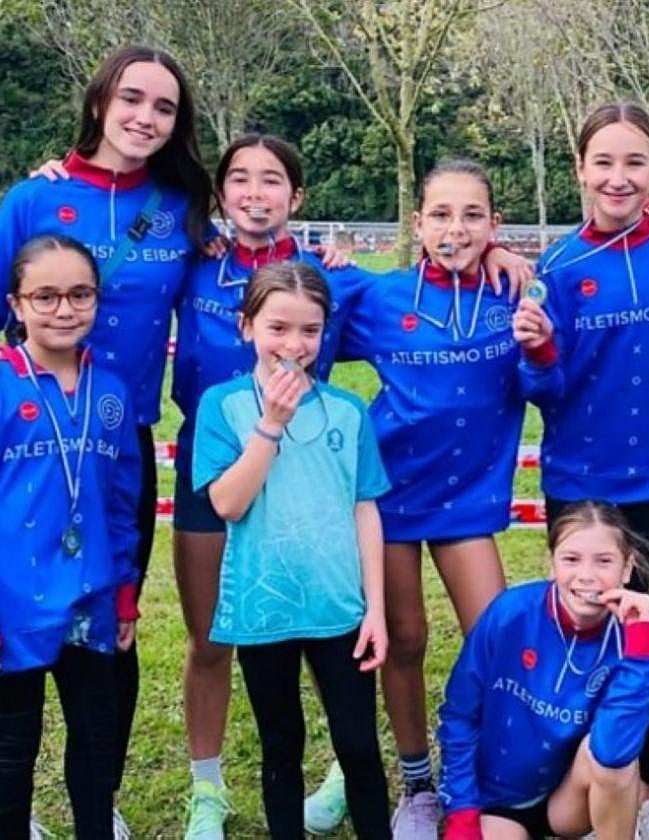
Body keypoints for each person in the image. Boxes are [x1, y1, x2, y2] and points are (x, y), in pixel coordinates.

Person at [0, 46, 213, 837]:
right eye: (132, 99)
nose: (145, 118)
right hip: (25, 444)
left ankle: (99, 803)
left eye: (164, 107)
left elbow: (250, 272)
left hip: (120, 451)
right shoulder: (31, 200)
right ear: (98, 102)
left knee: (108, 640)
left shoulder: (183, 206)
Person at [168, 133, 380, 839]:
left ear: (297, 197)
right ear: (220, 192)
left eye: (272, 181)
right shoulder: (190, 259)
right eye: (239, 180)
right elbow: (107, 261)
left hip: (304, 480)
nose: (255, 193)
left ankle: (346, 768)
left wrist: (500, 254)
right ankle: (207, 789)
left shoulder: (329, 273)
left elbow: (419, 290)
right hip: (217, 464)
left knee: (319, 624)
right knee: (210, 636)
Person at [515, 100, 649, 839]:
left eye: (635, 161)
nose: (619, 176)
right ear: (580, 170)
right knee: (586, 631)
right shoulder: (559, 266)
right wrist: (537, 351)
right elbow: (546, 391)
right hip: (581, 483)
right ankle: (583, 783)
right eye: (604, 161)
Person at [319, 159, 525, 838]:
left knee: (494, 637)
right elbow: (293, 301)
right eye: (440, 214)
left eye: (473, 215)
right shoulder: (383, 297)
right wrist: (326, 259)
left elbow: (550, 368)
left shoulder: (515, 293)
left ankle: (497, 775)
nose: (455, 229)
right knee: (403, 640)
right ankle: (416, 784)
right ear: (418, 221)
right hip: (392, 494)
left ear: (496, 225)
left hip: (468, 499)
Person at [192, 262, 391, 838]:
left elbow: (365, 508)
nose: (294, 345)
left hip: (340, 608)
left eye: (310, 330)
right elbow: (228, 502)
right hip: (264, 607)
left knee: (357, 745)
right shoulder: (222, 406)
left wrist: (374, 608)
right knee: (281, 744)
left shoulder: (348, 412)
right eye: (278, 328)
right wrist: (270, 425)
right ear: (246, 325)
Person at [0, 236, 141, 839]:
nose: (64, 310)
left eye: (80, 294)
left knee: (95, 744)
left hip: (93, 598)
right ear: (16, 303)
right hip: (12, 602)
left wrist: (127, 594)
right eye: (46, 296)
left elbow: (121, 501)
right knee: (10, 751)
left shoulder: (110, 390)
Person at [436, 500, 649, 840]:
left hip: (567, 800)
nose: (586, 575)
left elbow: (615, 751)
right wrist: (463, 814)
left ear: (627, 569)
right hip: (499, 801)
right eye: (571, 559)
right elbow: (459, 715)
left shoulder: (632, 636)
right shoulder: (510, 613)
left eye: (604, 561)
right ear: (551, 564)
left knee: (617, 767)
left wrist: (641, 651)